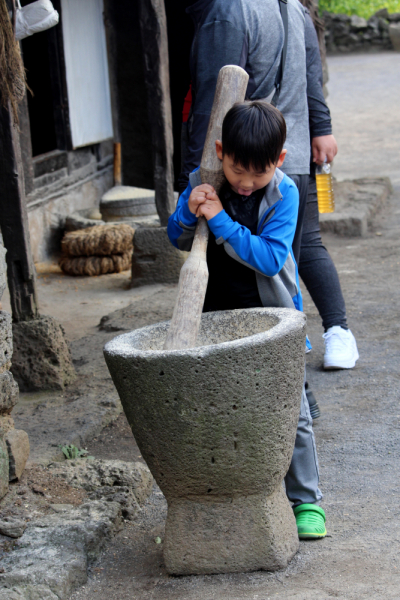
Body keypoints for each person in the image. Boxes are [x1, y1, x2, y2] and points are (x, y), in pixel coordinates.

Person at [168, 101, 327, 539]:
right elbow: (178, 237)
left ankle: (307, 501)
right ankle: (236, 498)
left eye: (258, 173)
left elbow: (271, 257)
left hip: (274, 317)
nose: (246, 182)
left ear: (278, 161)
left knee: (290, 412)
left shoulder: (285, 193)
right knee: (222, 409)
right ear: (220, 151)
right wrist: (189, 209)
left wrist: (218, 218)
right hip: (214, 315)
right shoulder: (206, 180)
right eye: (238, 170)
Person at [300, 5, 359, 371]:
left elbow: (310, 74)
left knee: (305, 240)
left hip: (293, 141)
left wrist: (321, 126)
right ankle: (286, 328)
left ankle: (338, 329)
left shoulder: (296, 14)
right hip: (241, 143)